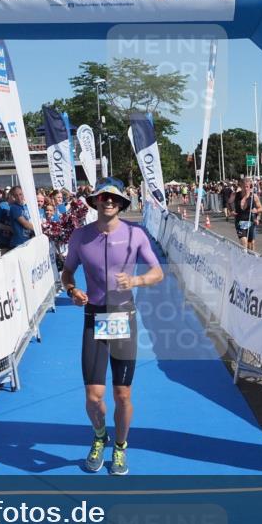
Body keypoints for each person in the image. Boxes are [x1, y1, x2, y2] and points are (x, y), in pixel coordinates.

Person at [61, 178, 164, 476]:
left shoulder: (135, 234)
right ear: (95, 201)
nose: (109, 202)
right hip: (94, 317)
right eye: (103, 197)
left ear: (121, 204)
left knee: (122, 395)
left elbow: (157, 272)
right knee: (93, 397)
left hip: (123, 316)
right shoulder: (80, 237)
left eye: (114, 198)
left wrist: (136, 280)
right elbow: (68, 271)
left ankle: (119, 447)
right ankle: (98, 436)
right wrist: (71, 291)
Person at [233, 178, 262, 251]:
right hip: (239, 222)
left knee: (251, 243)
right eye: (244, 186)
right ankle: (245, 257)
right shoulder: (236, 195)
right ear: (241, 186)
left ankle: (252, 259)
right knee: (244, 242)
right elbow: (228, 202)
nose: (246, 188)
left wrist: (256, 211)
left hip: (251, 221)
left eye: (247, 186)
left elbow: (260, 208)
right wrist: (231, 211)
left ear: (250, 186)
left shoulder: (254, 196)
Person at [7, 185, 35, 249]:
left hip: (26, 241)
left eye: (20, 194)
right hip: (18, 243)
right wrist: (40, 229)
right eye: (16, 195)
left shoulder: (23, 207)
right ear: (13, 197)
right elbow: (25, 224)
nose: (19, 197)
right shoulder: (14, 208)